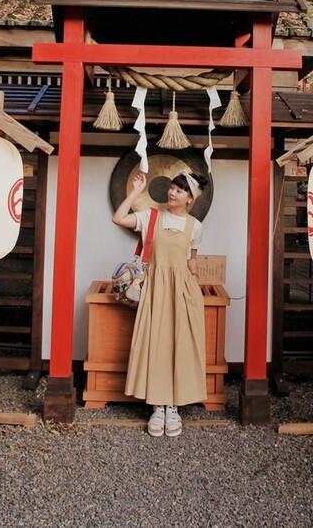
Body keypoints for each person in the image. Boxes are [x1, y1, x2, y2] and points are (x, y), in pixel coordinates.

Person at [112, 169, 208, 437]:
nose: (172, 192)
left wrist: (195, 288)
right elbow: (118, 218)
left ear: (190, 198)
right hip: (155, 287)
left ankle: (174, 406)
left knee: (180, 343)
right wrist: (135, 191)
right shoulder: (151, 216)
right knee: (156, 342)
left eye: (179, 190)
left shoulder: (195, 226)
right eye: (172, 188)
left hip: (182, 290)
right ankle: (157, 406)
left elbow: (192, 261)